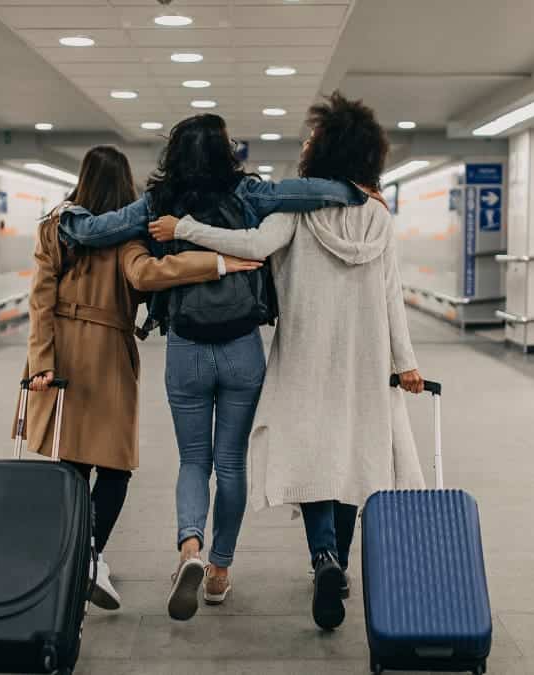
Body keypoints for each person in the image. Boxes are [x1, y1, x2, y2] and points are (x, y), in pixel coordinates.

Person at [58, 114, 368, 622]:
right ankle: (220, 570)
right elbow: (307, 192)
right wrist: (353, 192)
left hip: (186, 348)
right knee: (231, 465)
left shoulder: (160, 203)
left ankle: (190, 550)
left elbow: (97, 230)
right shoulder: (249, 192)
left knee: (193, 461)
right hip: (242, 347)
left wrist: (66, 216)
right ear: (227, 151)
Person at [148, 92, 427, 631]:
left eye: (312, 139)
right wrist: (405, 361)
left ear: (326, 152)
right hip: (364, 359)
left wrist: (183, 228)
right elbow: (392, 294)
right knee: (351, 457)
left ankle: (320, 556)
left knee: (313, 457)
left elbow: (249, 245)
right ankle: (335, 563)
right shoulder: (379, 218)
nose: (305, 145)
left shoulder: (295, 213)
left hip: (304, 353)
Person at [21, 145, 262, 611]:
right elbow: (150, 273)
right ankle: (90, 555)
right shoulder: (126, 237)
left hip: (62, 357)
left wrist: (41, 364)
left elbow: (39, 301)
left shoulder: (54, 228)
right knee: (114, 470)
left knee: (70, 464)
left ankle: (74, 556)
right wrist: (218, 262)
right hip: (108, 355)